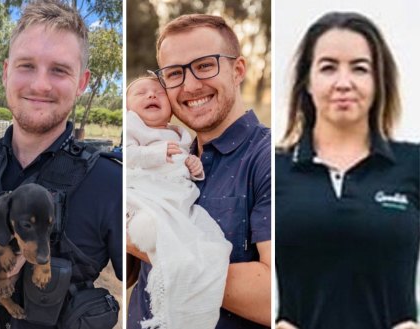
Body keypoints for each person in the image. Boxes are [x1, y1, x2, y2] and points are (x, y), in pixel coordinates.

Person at [0, 1, 122, 329]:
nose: (40, 85)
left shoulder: (112, 183)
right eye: (26, 65)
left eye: (59, 70)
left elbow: (144, 283)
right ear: (5, 72)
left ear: (82, 82)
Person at [275, 12, 419, 329]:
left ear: (379, 81)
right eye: (328, 67)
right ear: (307, 83)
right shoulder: (274, 170)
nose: (344, 82)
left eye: (360, 68)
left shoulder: (414, 164)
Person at [127, 14, 272, 328]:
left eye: (205, 65)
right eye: (175, 73)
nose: (190, 85)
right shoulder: (170, 153)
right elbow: (127, 273)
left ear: (238, 70)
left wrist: (158, 244)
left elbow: (274, 296)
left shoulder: (268, 158)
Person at [126, 76, 232, 329]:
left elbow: (184, 163)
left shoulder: (181, 134)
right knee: (150, 213)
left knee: (205, 238)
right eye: (141, 93)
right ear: (128, 107)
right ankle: (148, 226)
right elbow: (129, 154)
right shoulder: (133, 126)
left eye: (158, 92)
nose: (151, 95)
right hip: (146, 185)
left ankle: (190, 309)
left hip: (176, 192)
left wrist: (193, 166)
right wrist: (155, 153)